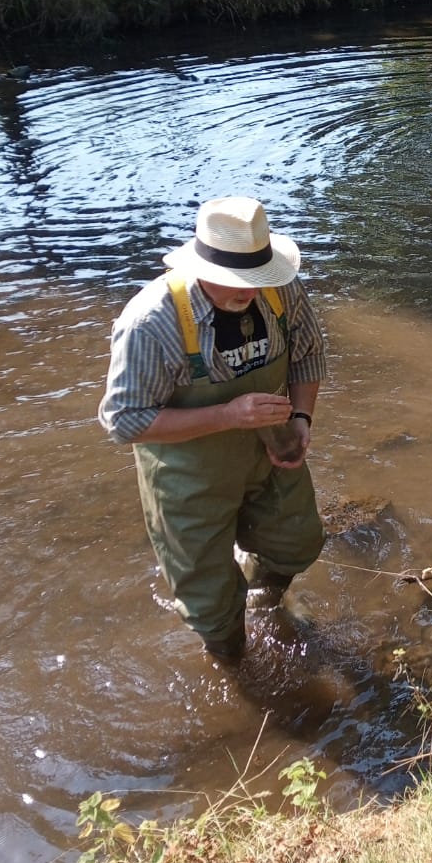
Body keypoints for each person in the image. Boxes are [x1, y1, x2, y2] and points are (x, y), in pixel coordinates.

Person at [99, 197, 327, 663]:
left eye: (256, 279)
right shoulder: (150, 322)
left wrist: (301, 419)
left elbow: (308, 354)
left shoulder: (281, 290)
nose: (248, 291)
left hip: (271, 452)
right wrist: (227, 415)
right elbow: (124, 421)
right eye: (234, 281)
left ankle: (265, 603)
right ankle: (233, 660)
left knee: (297, 543)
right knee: (211, 606)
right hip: (188, 479)